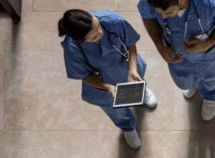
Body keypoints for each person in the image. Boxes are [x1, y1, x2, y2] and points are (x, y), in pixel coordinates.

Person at [137, 0, 215, 121]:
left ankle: (211, 98)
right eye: (160, 12)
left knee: (212, 80)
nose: (163, 16)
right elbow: (147, 16)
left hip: (208, 56)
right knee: (184, 82)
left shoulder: (210, 1)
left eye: (168, 12)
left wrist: (207, 44)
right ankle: (193, 84)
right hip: (177, 56)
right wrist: (160, 46)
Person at [58, 9, 157, 149]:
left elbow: (130, 43)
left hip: (125, 67)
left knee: (137, 80)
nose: (100, 33)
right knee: (116, 110)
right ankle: (128, 127)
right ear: (80, 40)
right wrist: (107, 87)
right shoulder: (72, 48)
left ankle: (142, 91)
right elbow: (84, 75)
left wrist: (133, 68)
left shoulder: (111, 20)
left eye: (98, 26)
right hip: (102, 82)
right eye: (93, 37)